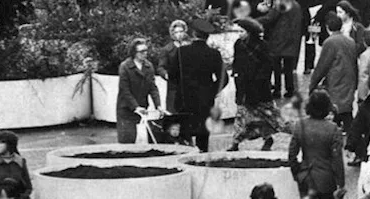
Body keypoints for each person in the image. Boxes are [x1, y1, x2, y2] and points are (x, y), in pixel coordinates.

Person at [165, 18, 227, 152]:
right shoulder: (213, 54)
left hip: (184, 99)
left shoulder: (182, 52)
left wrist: (181, 88)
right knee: (203, 134)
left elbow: (172, 76)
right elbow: (224, 78)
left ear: (193, 34)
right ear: (208, 37)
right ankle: (202, 159)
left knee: (185, 134)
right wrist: (211, 91)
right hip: (205, 101)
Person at [288, 90, 346, 199]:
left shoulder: (300, 125)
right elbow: (337, 159)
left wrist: (297, 172)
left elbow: (292, 154)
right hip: (326, 179)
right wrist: (341, 182)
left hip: (305, 176)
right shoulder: (333, 129)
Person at [232, 17, 279, 152]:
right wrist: (236, 75)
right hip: (243, 86)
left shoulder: (261, 45)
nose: (239, 34)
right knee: (241, 116)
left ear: (249, 31)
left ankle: (267, 138)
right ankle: (235, 142)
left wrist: (259, 79)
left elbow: (268, 65)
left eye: (241, 31)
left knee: (264, 116)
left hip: (259, 88)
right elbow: (237, 63)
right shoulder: (238, 44)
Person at [309, 14, 359, 128]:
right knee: (346, 108)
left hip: (336, 79)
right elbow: (355, 62)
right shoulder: (350, 41)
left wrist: (313, 84)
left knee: (337, 107)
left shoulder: (329, 42)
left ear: (327, 27)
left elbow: (322, 66)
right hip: (349, 79)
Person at [116, 38, 162, 144]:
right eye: (141, 51)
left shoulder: (149, 66)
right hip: (126, 110)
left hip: (142, 109)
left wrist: (158, 105)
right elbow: (125, 90)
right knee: (127, 141)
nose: (145, 54)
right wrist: (136, 107)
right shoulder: (125, 67)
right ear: (134, 53)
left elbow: (153, 88)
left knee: (144, 141)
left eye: (146, 50)